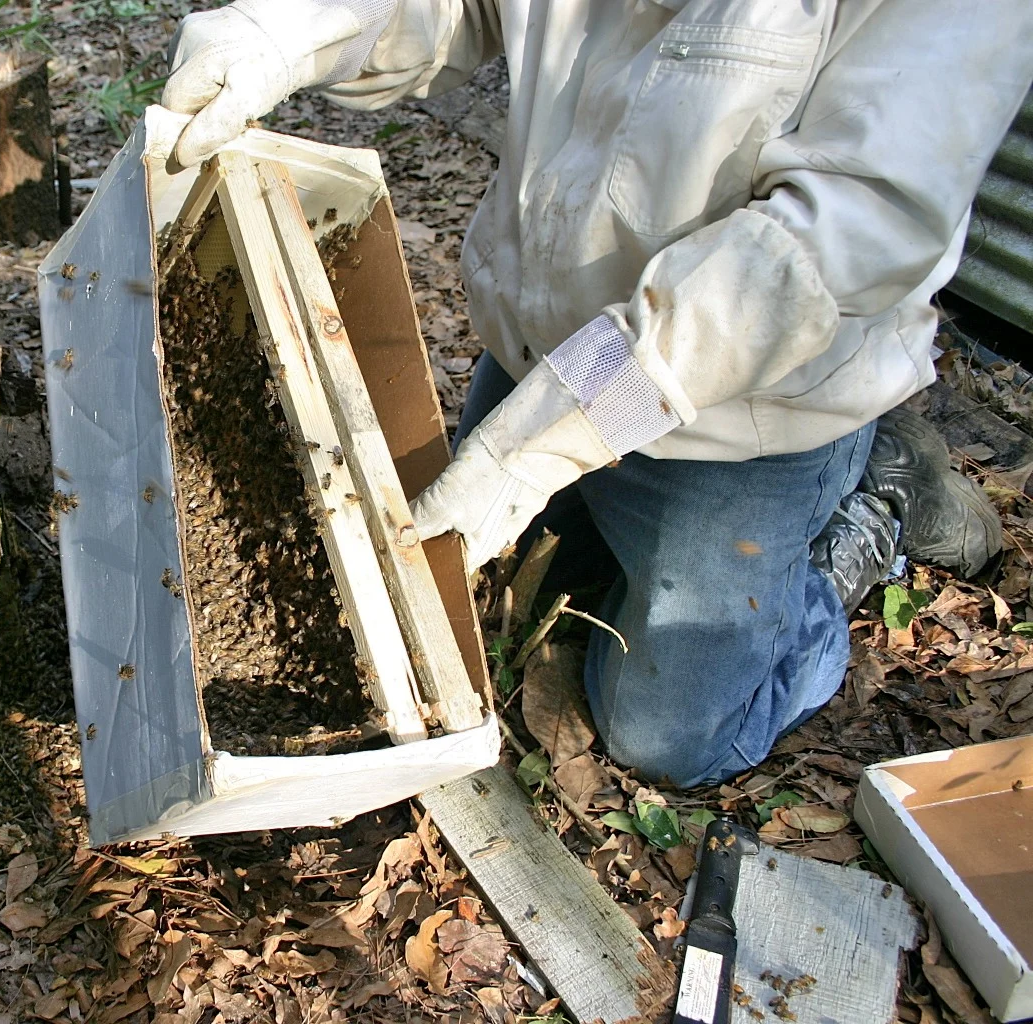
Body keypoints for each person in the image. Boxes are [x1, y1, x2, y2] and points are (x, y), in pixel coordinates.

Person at [162, 0, 1033, 788]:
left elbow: (844, 236)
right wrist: (296, 30)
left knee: (665, 740)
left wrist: (537, 447)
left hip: (748, 413)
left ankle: (869, 516)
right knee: (492, 620)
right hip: (550, 350)